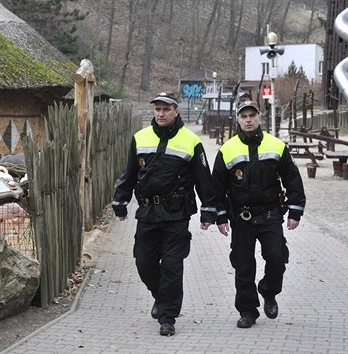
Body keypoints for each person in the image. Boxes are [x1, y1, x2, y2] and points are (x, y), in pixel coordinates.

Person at [112, 91, 218, 336]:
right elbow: (129, 174)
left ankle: (168, 317)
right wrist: (120, 201)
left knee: (172, 266)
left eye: (166, 109)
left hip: (176, 214)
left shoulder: (191, 141)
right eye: (158, 109)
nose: (161, 113)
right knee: (144, 262)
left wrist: (208, 211)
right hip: (148, 212)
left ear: (176, 111)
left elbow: (204, 180)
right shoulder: (140, 138)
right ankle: (161, 298)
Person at [211, 100, 306, 329]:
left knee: (276, 257)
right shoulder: (227, 149)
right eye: (244, 116)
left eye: (252, 115)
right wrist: (221, 216)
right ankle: (247, 310)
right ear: (238, 119)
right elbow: (217, 187)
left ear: (259, 117)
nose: (249, 120)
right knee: (243, 266)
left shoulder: (276, 146)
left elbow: (292, 179)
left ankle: (269, 290)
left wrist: (295, 210)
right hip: (241, 218)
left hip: (270, 215)